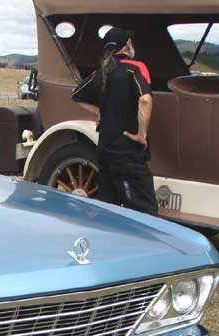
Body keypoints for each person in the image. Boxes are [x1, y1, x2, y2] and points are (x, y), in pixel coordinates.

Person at [71, 27, 159, 214]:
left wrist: (100, 113)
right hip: (127, 152)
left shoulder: (101, 72)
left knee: (108, 212)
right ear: (127, 45)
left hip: (104, 150)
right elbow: (145, 99)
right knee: (144, 213)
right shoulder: (135, 68)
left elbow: (76, 95)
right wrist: (142, 135)